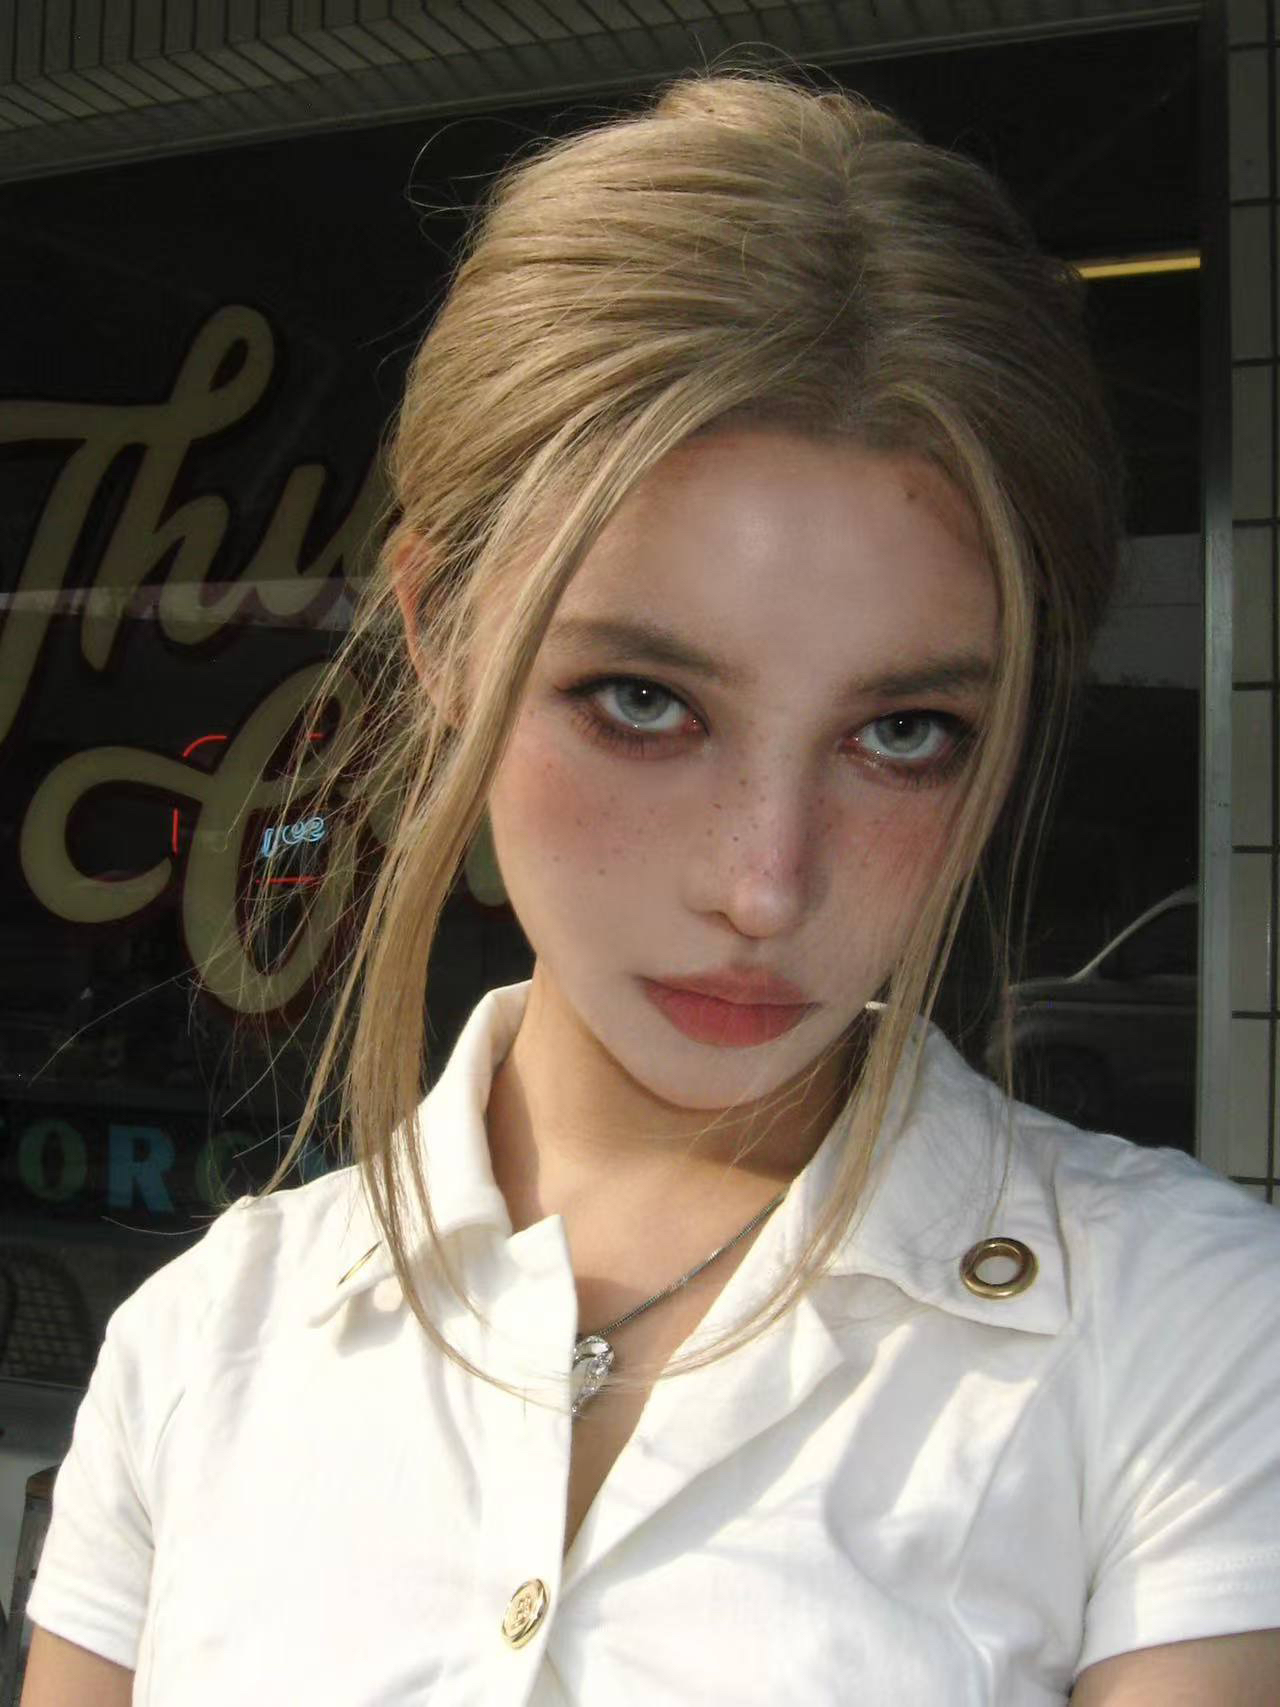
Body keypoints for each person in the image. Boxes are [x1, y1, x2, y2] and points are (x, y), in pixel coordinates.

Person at [19, 66, 1280, 1707]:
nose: (766, 886)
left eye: (903, 731)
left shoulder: (1185, 1337)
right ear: (442, 634)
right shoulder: (200, 1352)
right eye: (642, 701)